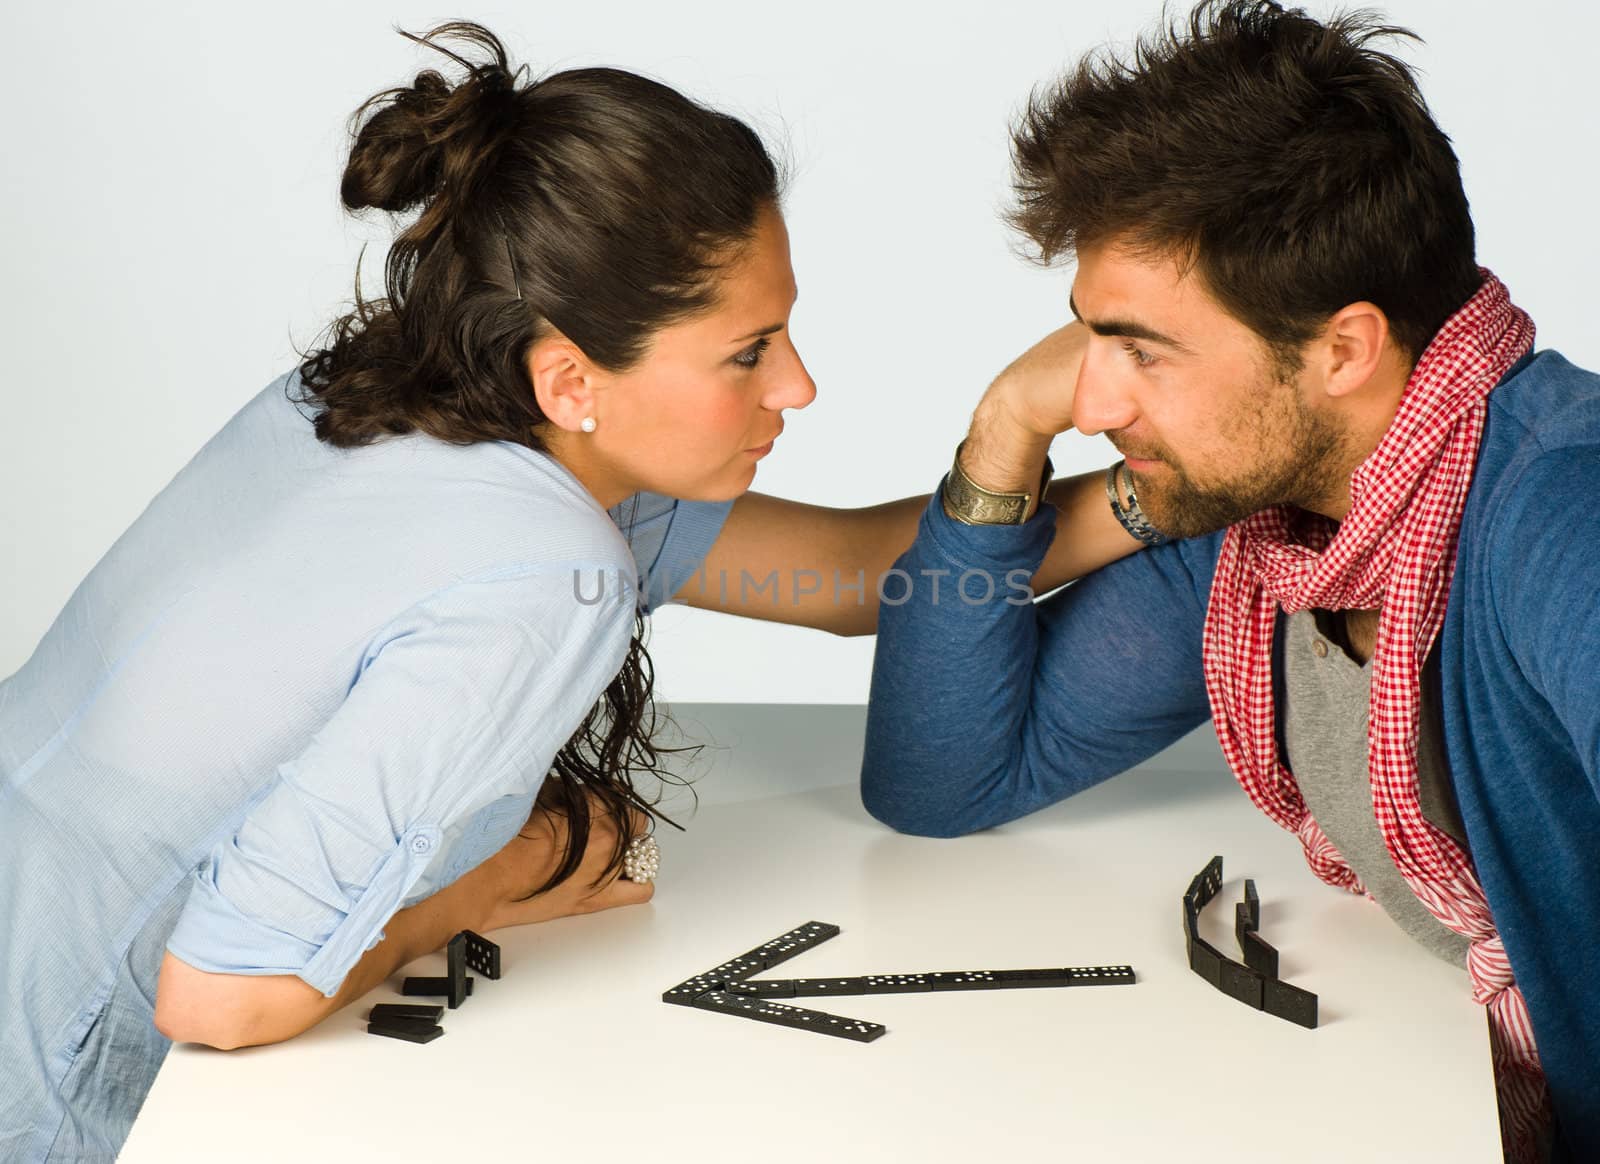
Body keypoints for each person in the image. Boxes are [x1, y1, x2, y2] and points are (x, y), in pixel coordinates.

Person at [0, 22, 1143, 1162]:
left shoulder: (417, 394)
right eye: (748, 352)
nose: (797, 384)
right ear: (571, 378)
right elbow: (222, 995)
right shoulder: (546, 565)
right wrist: (503, 874)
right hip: (54, 1080)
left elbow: (846, 575)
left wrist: (1115, 481)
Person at [858, 3, 1600, 1161]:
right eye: (1086, 341)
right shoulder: (1269, 532)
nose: (1092, 403)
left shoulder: (1564, 516)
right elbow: (942, 779)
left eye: (1142, 350)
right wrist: (1002, 431)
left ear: (1342, 350)